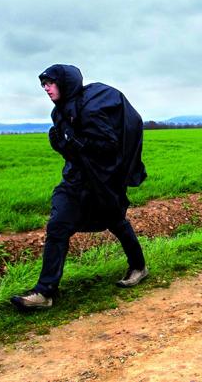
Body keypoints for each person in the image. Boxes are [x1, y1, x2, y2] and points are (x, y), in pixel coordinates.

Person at [11, 64, 148, 311]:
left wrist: (75, 142)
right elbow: (73, 152)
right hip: (75, 180)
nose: (46, 88)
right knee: (58, 226)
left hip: (100, 180)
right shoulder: (61, 112)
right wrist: (62, 145)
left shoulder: (90, 109)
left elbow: (108, 145)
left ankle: (139, 266)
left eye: (50, 83)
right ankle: (45, 292)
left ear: (64, 83)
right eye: (43, 84)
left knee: (116, 220)